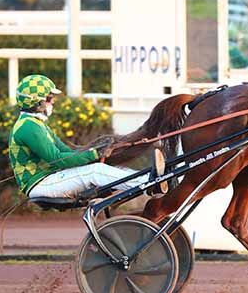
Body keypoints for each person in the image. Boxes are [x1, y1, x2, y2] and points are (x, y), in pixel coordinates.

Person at [8, 74, 153, 199]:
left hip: (47, 178)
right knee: (95, 171)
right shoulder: (28, 127)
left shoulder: (37, 123)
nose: (52, 102)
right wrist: (94, 154)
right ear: (37, 102)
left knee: (108, 168)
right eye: (49, 98)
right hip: (39, 184)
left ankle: (146, 178)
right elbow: (58, 159)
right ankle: (148, 184)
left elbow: (66, 152)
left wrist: (94, 152)